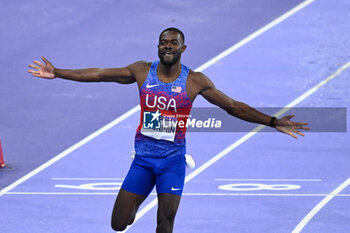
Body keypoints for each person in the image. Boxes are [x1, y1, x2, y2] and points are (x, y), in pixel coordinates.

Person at [28, 27, 309, 233]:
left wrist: (273, 121)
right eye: (163, 42)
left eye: (173, 42)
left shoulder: (195, 81)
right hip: (143, 159)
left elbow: (233, 107)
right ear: (158, 47)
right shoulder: (141, 71)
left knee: (165, 222)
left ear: (182, 49)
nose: (167, 46)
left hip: (173, 162)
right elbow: (101, 74)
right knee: (118, 224)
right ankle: (135, 206)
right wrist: (59, 72)